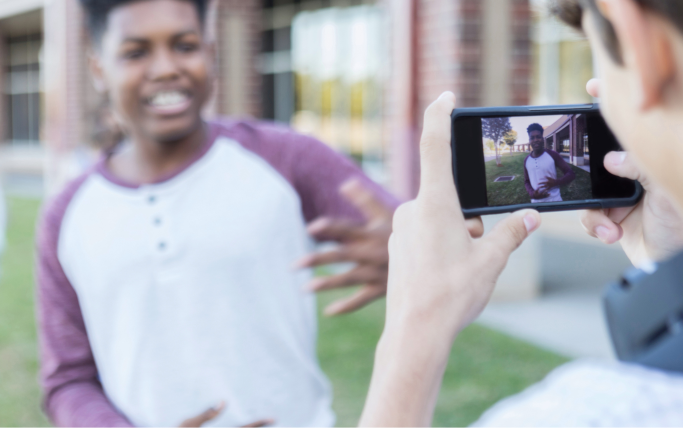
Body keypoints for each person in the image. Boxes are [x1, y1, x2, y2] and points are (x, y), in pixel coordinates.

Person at [35, 0, 400, 426]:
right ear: (98, 68)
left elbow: (424, 238)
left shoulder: (285, 158)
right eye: (136, 52)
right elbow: (67, 379)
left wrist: (408, 253)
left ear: (210, 52)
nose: (166, 67)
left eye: (185, 46)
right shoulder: (67, 216)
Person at [358, 0, 683, 425]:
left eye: (596, 55)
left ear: (640, 45)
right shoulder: (529, 160)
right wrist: (668, 260)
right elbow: (531, 187)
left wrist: (413, 328)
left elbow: (568, 175)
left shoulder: (589, 412)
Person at [523, 123, 576, 203]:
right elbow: (527, 181)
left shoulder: (552, 154)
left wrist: (556, 182)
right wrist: (532, 194)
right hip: (536, 204)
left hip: (555, 201)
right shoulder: (526, 160)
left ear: (543, 138)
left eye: (538, 137)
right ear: (529, 140)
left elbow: (570, 173)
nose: (535, 140)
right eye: (532, 138)